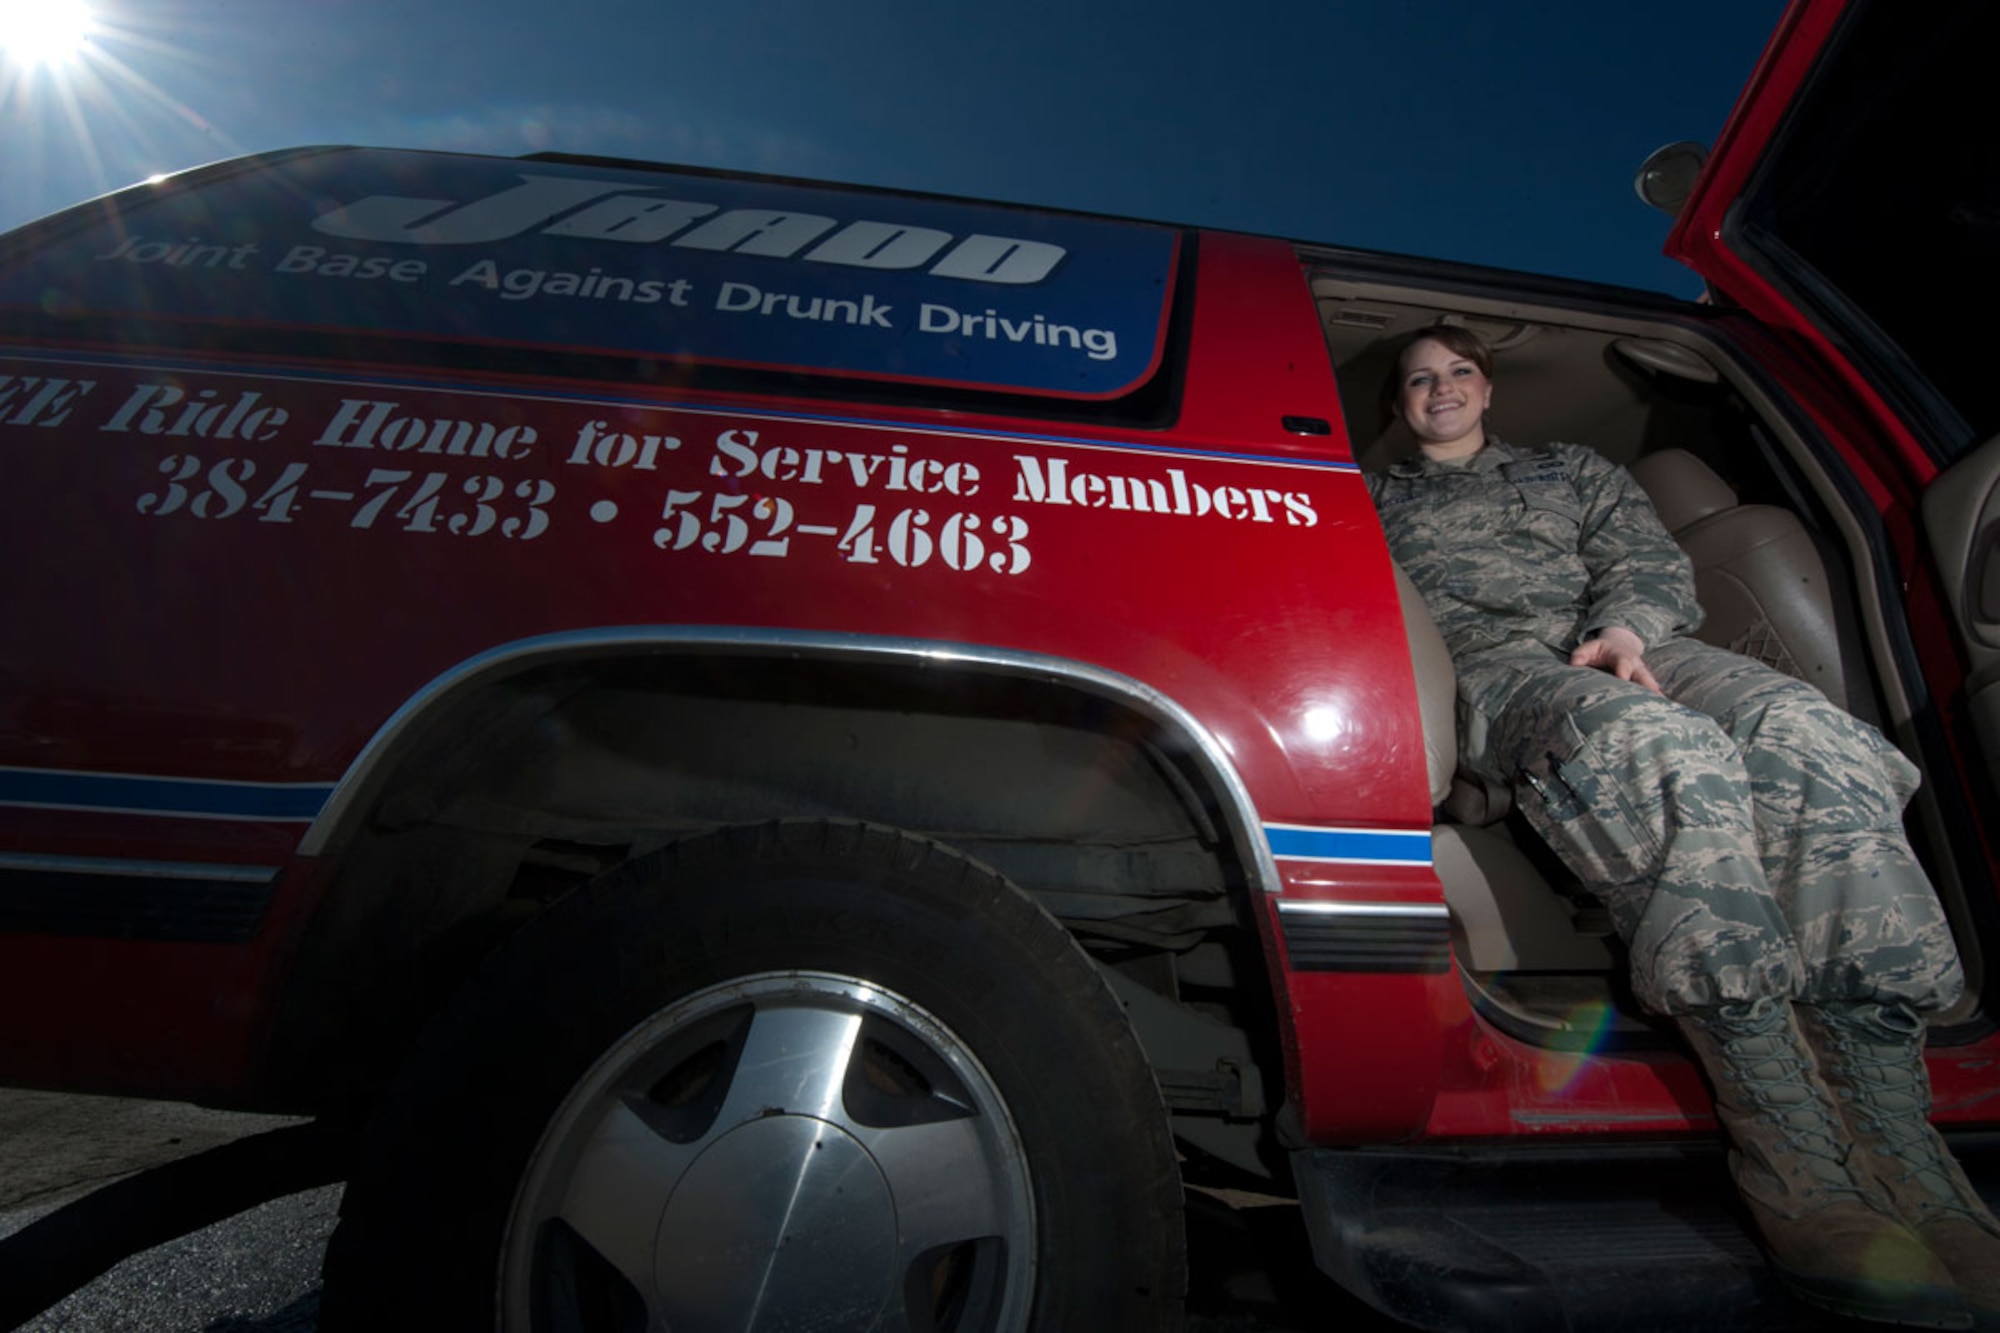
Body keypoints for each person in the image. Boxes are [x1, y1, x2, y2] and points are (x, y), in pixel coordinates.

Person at [1368, 324, 2000, 1328]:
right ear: (1399, 405)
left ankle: (1899, 1147)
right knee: (1656, 747)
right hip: (1493, 667)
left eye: (1455, 373)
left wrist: (1620, 630)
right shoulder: (1374, 494)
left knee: (1805, 730)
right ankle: (1789, 1150)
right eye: (1416, 381)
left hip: (1620, 640)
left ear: (1485, 388)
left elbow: (1641, 556)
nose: (1438, 391)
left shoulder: (1568, 467)